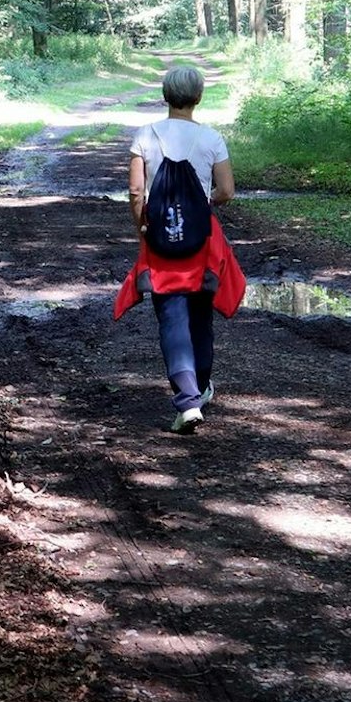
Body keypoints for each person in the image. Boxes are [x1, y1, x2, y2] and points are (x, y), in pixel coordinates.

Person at [112, 64, 245, 434]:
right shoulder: (211, 139)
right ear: (198, 97)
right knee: (201, 317)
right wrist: (201, 203)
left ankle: (188, 400)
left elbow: (137, 192)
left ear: (165, 95)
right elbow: (227, 192)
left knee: (171, 317)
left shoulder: (144, 136)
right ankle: (198, 391)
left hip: (160, 242)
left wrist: (143, 224)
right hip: (201, 242)